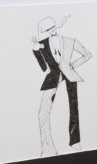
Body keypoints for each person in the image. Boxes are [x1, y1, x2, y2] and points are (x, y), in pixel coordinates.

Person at [32, 16, 92, 156]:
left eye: (52, 28)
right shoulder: (42, 43)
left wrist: (72, 65)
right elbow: (44, 68)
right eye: (47, 30)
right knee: (43, 113)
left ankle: (75, 142)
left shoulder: (70, 41)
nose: (51, 31)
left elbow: (87, 54)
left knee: (73, 108)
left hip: (69, 74)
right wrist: (36, 51)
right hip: (53, 77)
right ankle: (48, 148)